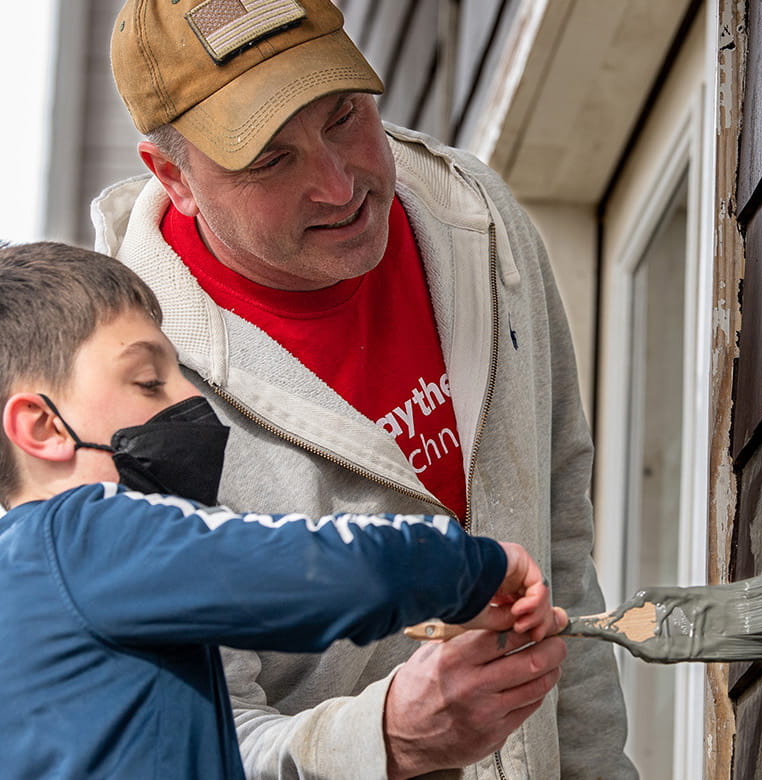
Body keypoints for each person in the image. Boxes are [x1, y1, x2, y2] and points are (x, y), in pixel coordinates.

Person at [92, 0, 633, 776]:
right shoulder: (126, 410)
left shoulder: (474, 217)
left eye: (343, 116)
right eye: (271, 160)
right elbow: (186, 746)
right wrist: (386, 738)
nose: (339, 184)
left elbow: (563, 549)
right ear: (172, 175)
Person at [0, 242, 567, 780]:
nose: (191, 401)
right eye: (149, 382)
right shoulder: (86, 536)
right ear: (42, 426)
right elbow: (317, 569)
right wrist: (471, 569)